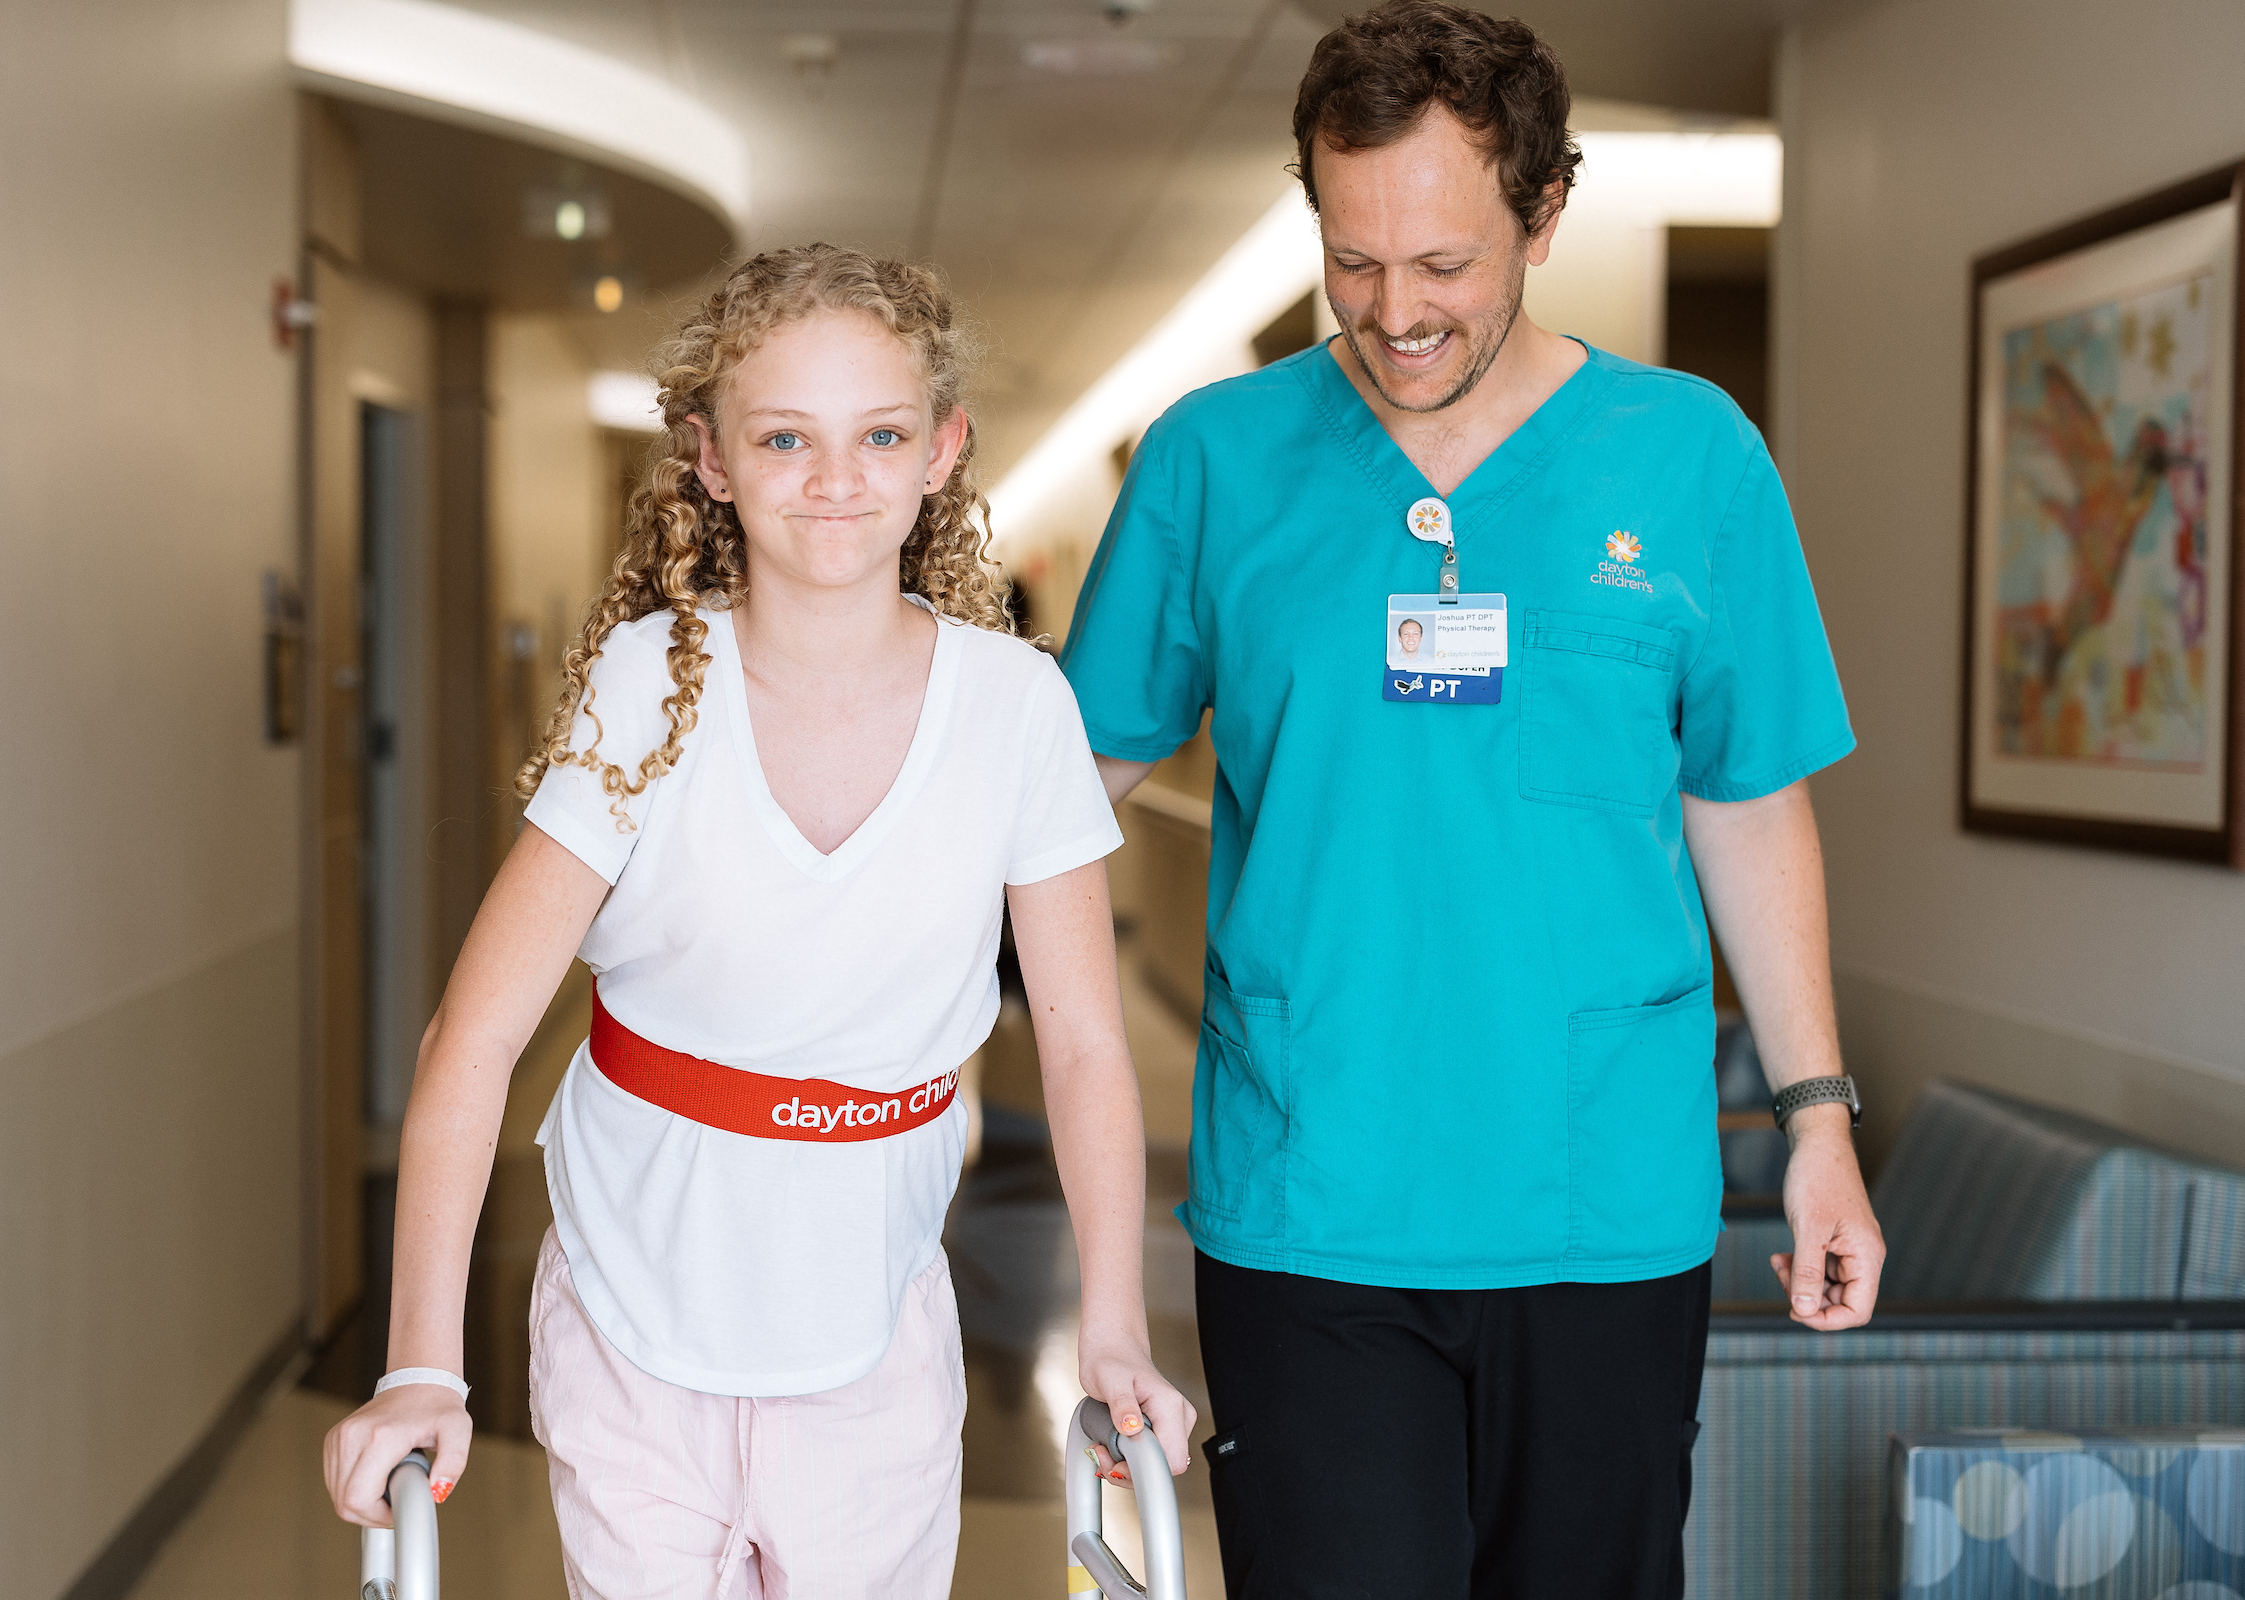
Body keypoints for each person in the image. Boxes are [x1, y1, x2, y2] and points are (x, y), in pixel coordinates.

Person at [1056, 7, 1884, 1597]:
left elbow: (1747, 802)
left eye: (1443, 264)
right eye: (1350, 261)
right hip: (1312, 1200)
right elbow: (1067, 784)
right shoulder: (1214, 460)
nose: (1392, 312)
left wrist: (1817, 1126)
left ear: (1545, 215)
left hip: (1603, 1201)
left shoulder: (1689, 456)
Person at [321, 245, 1195, 1600]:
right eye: (784, 437)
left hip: (873, 1325)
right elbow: (472, 1036)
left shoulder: (1016, 709)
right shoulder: (648, 685)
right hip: (631, 1311)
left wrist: (1118, 1331)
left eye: (880, 435)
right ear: (711, 458)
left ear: (941, 453)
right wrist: (421, 1361)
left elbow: (1082, 1044)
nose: (834, 479)